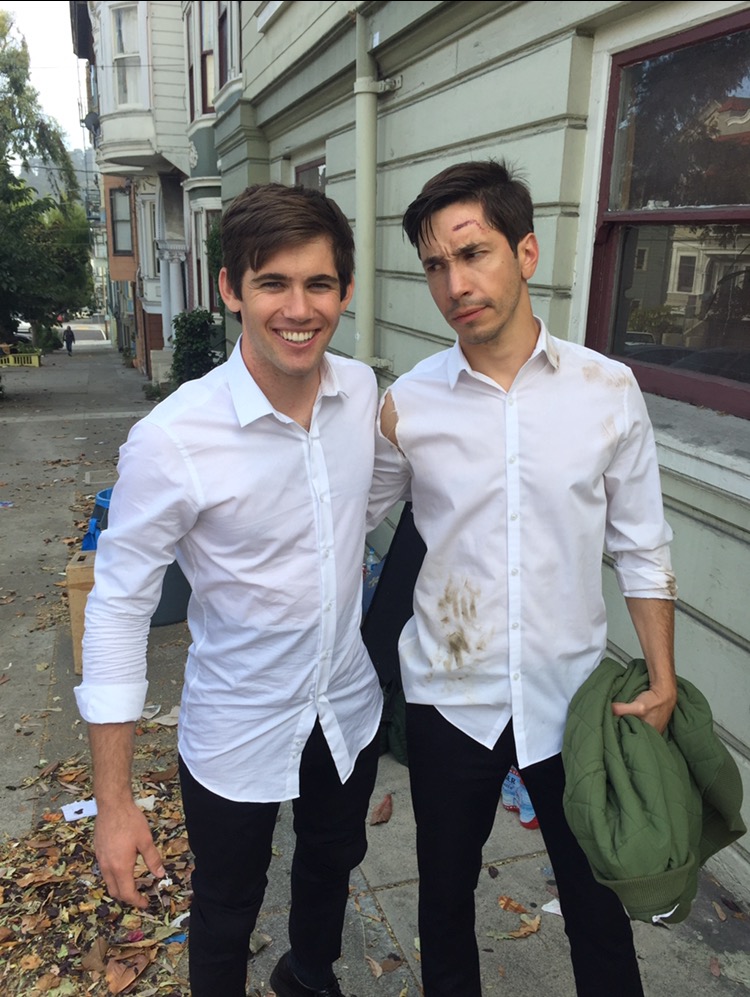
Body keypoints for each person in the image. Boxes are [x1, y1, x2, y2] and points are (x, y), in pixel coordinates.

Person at [367, 159, 677, 997]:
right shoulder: (409, 404)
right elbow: (345, 518)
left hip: (570, 700)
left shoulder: (608, 391)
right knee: (442, 901)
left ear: (526, 252)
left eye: (473, 253)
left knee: (599, 906)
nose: (456, 284)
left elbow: (642, 544)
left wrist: (661, 676)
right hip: (450, 696)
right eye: (436, 265)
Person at [75, 183, 383, 997]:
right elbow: (118, 608)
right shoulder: (173, 438)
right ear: (230, 288)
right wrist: (114, 801)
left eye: (319, 284)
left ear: (346, 290)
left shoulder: (361, 394)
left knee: (332, 862)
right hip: (238, 723)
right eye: (272, 282)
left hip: (345, 706)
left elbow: (366, 500)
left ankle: (308, 976)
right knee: (226, 903)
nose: (299, 309)